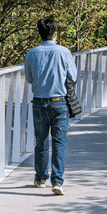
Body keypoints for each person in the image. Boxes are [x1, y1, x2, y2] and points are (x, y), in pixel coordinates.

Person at [24, 16, 77, 195]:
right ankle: (57, 182)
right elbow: (74, 76)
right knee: (59, 142)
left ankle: (40, 178)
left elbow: (30, 78)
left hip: (39, 102)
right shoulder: (64, 52)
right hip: (59, 103)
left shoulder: (31, 53)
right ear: (55, 34)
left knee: (41, 142)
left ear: (39, 33)